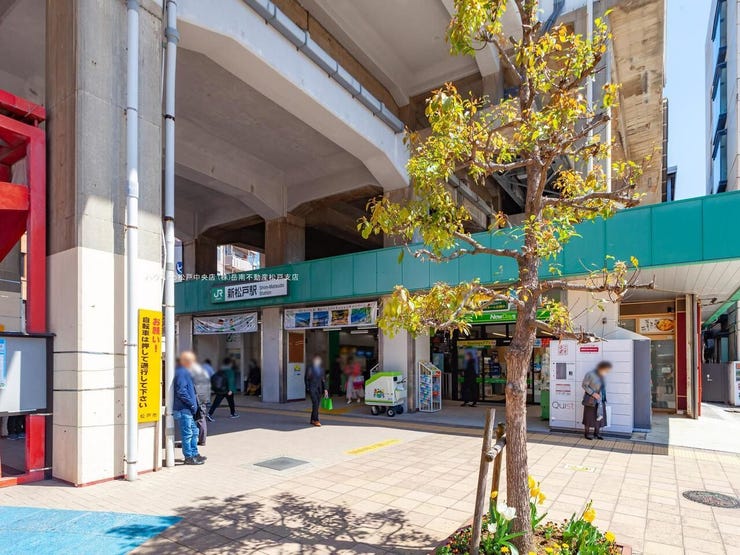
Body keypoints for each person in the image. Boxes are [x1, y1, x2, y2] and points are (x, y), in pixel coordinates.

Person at [174, 352, 205, 465]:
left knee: (194, 431)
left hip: (188, 409)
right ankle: (189, 456)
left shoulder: (186, 372)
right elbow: (181, 391)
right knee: (188, 433)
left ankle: (194, 453)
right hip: (184, 409)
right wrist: (191, 404)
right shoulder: (182, 372)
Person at [184, 353, 212, 445]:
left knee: (198, 419)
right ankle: (201, 440)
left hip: (197, 399)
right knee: (201, 418)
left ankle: (199, 440)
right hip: (203, 398)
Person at [582, 360, 611, 440]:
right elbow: (584, 385)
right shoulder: (590, 374)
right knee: (588, 416)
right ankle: (586, 434)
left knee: (599, 416)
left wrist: (603, 396)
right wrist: (593, 393)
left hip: (600, 399)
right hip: (591, 399)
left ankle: (596, 433)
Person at [305, 354, 328, 427]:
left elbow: (323, 380)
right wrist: (308, 387)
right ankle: (316, 420)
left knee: (316, 405)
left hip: (319, 389)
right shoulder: (310, 368)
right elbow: (306, 378)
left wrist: (325, 389)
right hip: (312, 388)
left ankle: (312, 419)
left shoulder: (321, 369)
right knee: (315, 403)